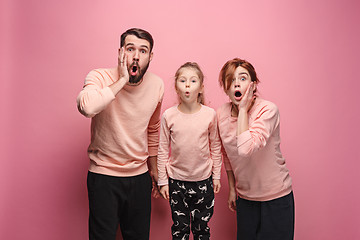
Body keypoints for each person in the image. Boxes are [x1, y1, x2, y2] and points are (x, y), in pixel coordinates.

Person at [76, 28, 164, 240]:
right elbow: (87, 108)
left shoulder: (157, 85)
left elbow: (152, 129)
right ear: (120, 52)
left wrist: (154, 172)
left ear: (150, 56)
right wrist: (122, 81)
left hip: (139, 177)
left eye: (143, 51)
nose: (136, 56)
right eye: (130, 48)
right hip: (103, 175)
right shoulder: (99, 76)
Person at [217, 58, 294, 240]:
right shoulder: (220, 114)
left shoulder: (267, 110)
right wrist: (233, 189)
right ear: (226, 87)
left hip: (276, 199)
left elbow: (245, 148)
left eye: (243, 78)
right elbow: (227, 154)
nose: (237, 83)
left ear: (253, 84)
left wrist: (243, 110)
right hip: (246, 200)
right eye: (231, 79)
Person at [157, 62, 222, 240]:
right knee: (180, 230)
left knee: (202, 230)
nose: (187, 85)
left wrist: (216, 175)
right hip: (177, 182)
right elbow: (162, 149)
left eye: (193, 81)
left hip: (203, 181)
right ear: (176, 87)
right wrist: (162, 181)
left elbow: (216, 147)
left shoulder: (210, 115)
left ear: (200, 88)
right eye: (183, 80)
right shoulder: (168, 116)